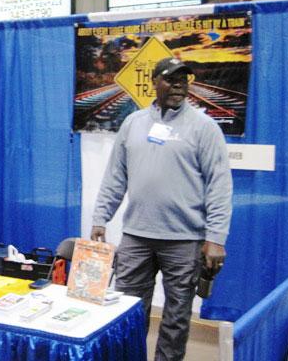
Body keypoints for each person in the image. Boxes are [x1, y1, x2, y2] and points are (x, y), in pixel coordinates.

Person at [90, 57, 233, 361]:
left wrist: (216, 237)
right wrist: (101, 217)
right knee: (127, 312)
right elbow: (115, 176)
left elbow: (219, 185)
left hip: (184, 240)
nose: (179, 84)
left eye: (184, 78)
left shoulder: (204, 128)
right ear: (154, 82)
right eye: (170, 78)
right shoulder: (133, 123)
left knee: (176, 318)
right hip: (136, 237)